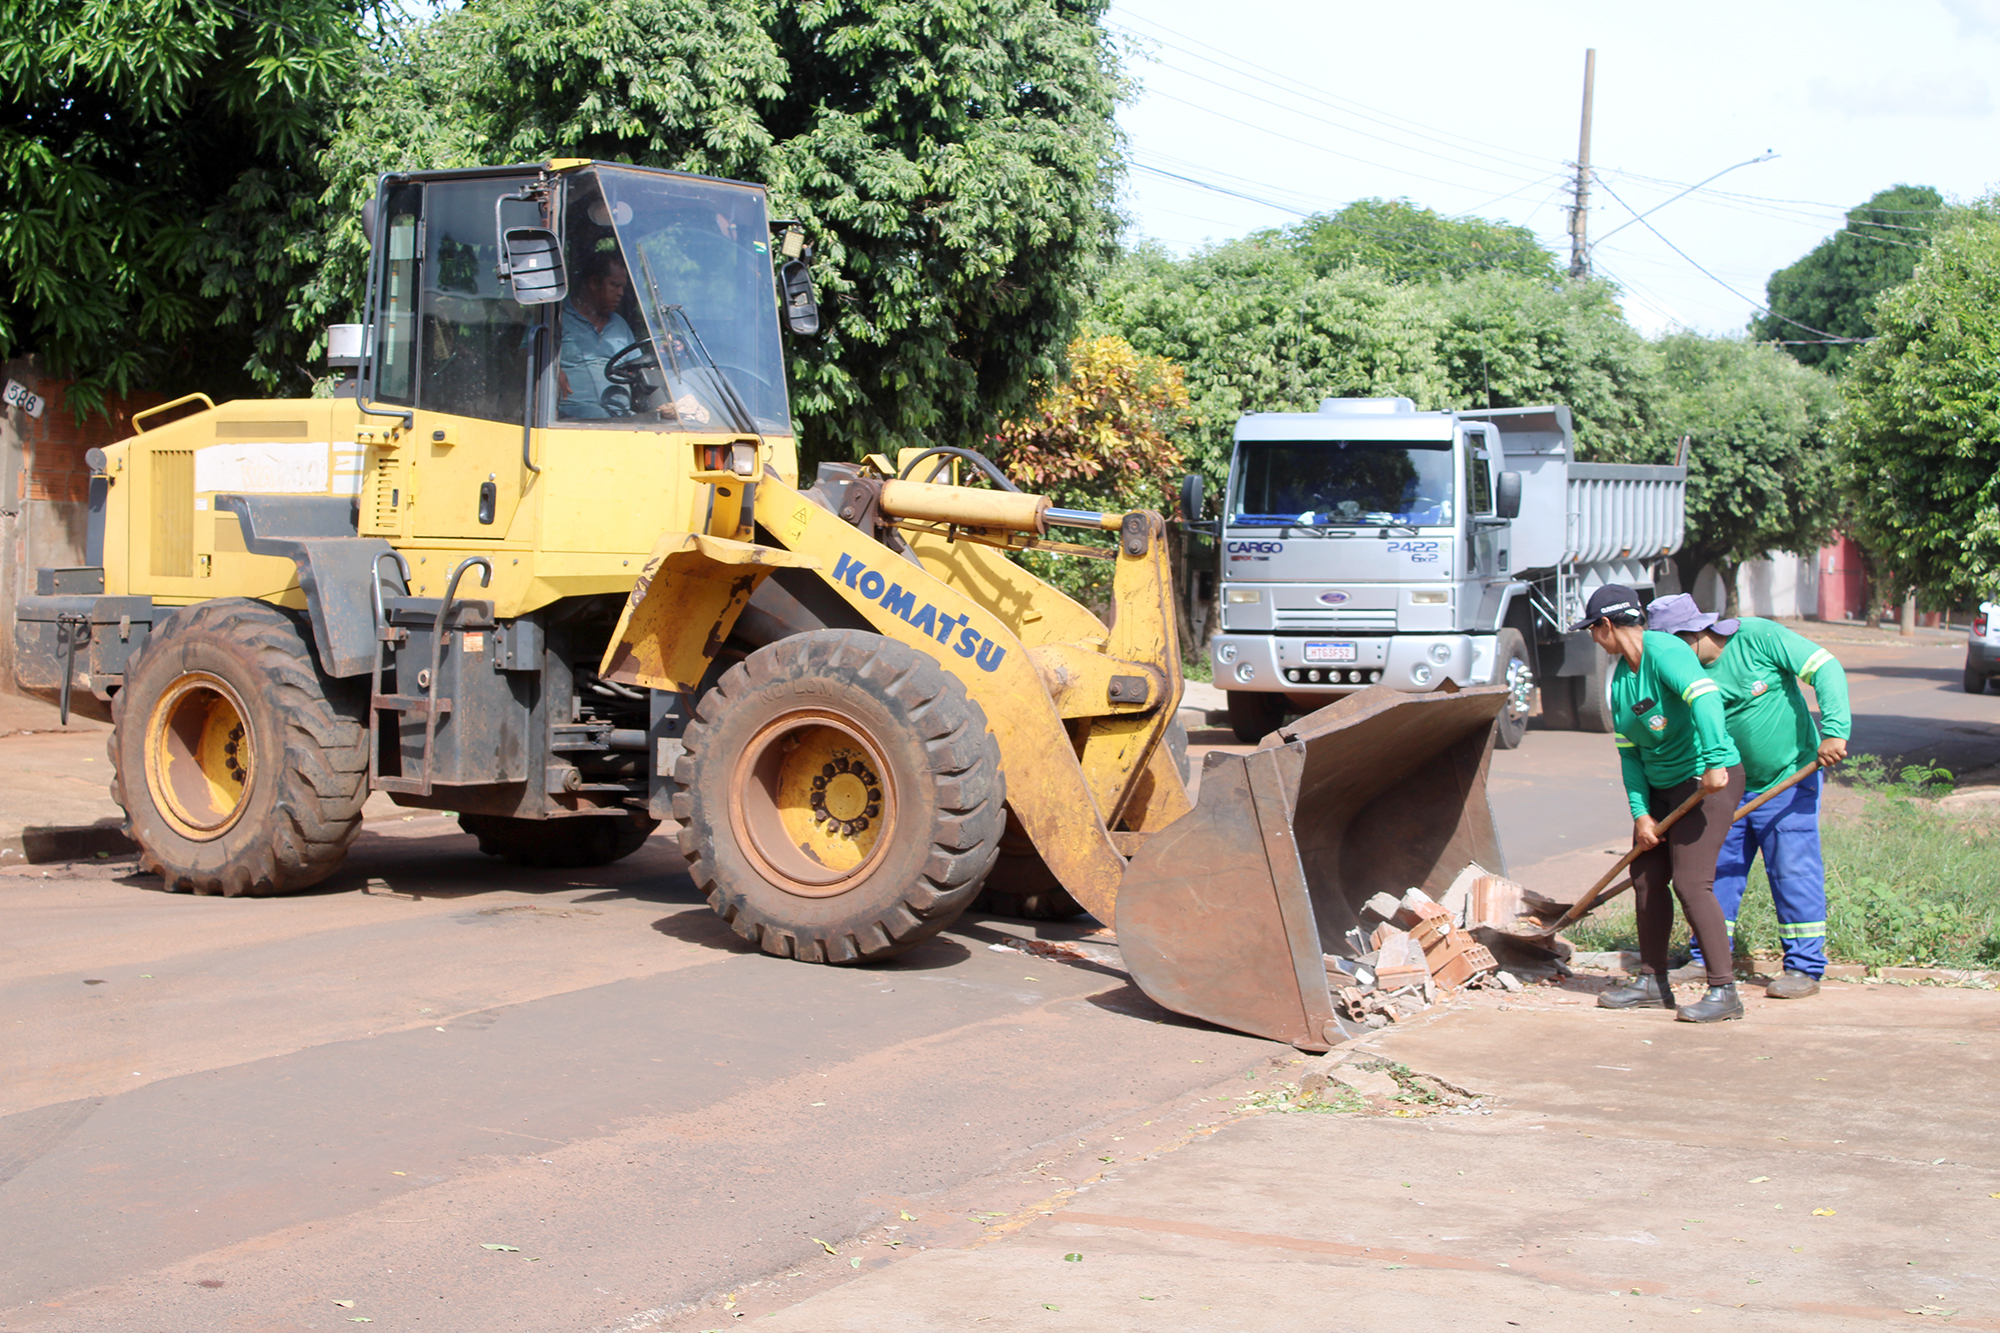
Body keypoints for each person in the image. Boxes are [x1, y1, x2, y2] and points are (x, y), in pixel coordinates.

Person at [1646, 594, 1850, 999]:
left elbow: (1826, 668)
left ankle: (1804, 968)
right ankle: (1706, 957)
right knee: (1716, 873)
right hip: (1723, 789)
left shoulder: (1758, 637)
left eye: (1670, 648)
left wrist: (1835, 730)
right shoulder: (1677, 674)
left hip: (1788, 780)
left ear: (1693, 634)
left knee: (1793, 873)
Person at [1576, 584, 1748, 1023]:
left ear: (1607, 625)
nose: (1594, 639)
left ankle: (1724, 991)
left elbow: (1706, 698)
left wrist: (1713, 761)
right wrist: (1641, 813)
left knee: (1692, 883)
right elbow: (1629, 755)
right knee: (1648, 878)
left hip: (1707, 782)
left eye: (1594, 630)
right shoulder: (1621, 682)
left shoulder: (1665, 651)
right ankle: (1652, 981)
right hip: (1661, 789)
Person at [557, 250, 636, 419]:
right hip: (572, 418)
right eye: (615, 285)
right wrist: (553, 371)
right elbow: (526, 359)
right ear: (594, 283)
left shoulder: (620, 325)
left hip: (622, 417)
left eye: (623, 287)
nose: (621, 293)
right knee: (594, 414)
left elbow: (638, 366)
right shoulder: (558, 318)